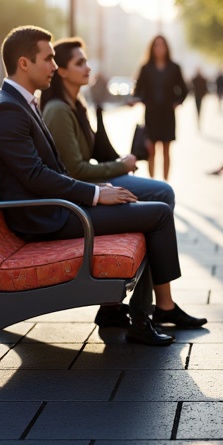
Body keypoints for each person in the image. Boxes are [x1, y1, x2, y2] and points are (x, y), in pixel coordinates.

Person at [0, 26, 205, 346]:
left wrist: (99, 191)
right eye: (48, 59)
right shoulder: (7, 109)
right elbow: (35, 176)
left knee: (149, 208)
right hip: (45, 217)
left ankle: (144, 308)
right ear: (24, 63)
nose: (54, 67)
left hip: (57, 208)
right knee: (156, 213)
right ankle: (145, 315)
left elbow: (50, 168)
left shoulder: (22, 103)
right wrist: (97, 194)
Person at [41, 37, 184, 328]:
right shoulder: (57, 110)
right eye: (79, 62)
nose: (88, 66)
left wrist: (118, 155)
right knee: (160, 196)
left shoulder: (76, 104)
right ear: (62, 72)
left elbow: (94, 152)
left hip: (92, 184)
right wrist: (121, 166)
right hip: (77, 197)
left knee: (160, 195)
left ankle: (122, 305)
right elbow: (75, 170)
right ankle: (151, 307)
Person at [132, 35, 188, 180]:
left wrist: (178, 102)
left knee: (166, 150)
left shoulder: (174, 68)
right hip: (151, 114)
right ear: (152, 48)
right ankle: (153, 183)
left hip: (168, 114)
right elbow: (138, 90)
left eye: (162, 45)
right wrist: (139, 100)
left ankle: (165, 183)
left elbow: (184, 89)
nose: (159, 48)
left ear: (166, 47)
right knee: (151, 150)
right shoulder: (146, 68)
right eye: (156, 45)